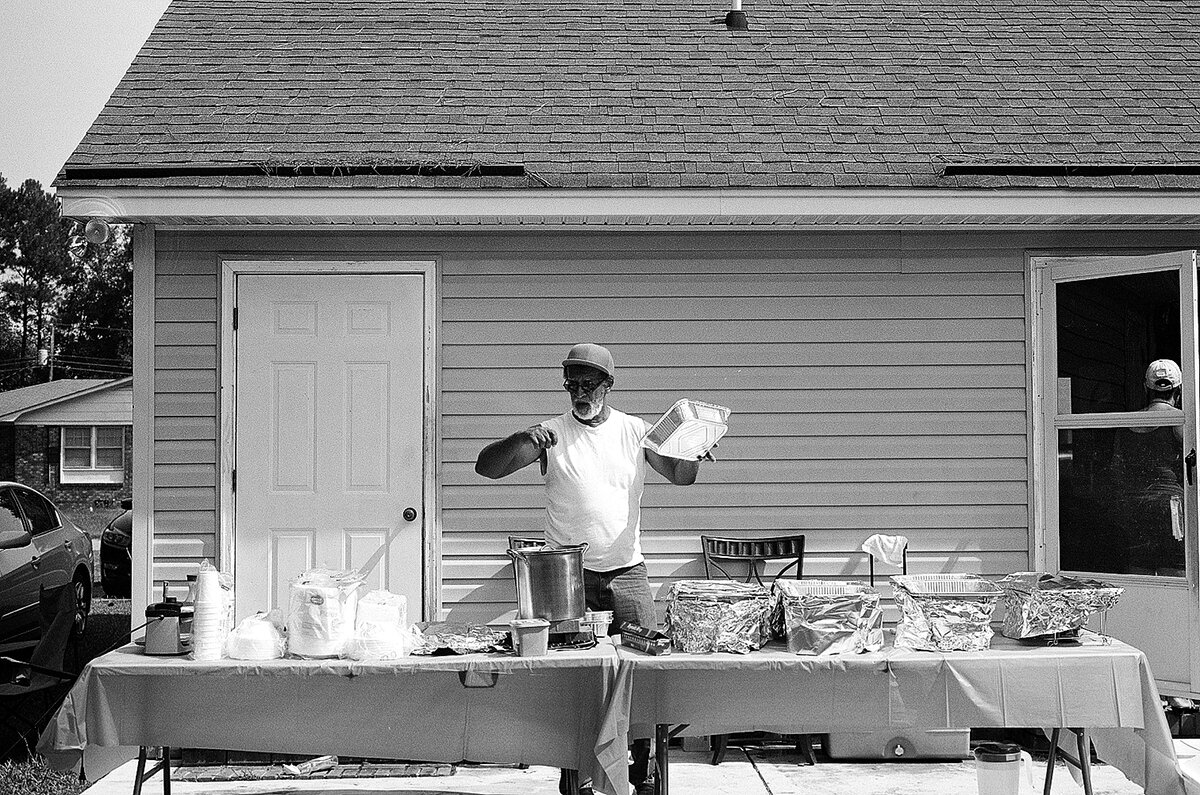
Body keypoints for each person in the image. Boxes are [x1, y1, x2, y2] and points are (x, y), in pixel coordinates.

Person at [475, 342, 710, 795]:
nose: (580, 393)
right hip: (566, 577)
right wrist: (522, 439)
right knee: (575, 680)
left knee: (640, 674)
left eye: (589, 384)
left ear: (608, 385)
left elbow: (681, 476)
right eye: (572, 385)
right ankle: (577, 777)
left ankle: (642, 774)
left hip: (627, 572)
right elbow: (487, 468)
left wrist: (693, 453)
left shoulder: (637, 431)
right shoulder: (550, 433)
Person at [1113, 359, 1185, 575]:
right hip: (1169, 505)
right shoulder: (1179, 420)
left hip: (1135, 505)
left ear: (1146, 388)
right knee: (1174, 567)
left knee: (1139, 566)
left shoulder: (1128, 423)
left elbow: (1116, 469)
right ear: (1178, 390)